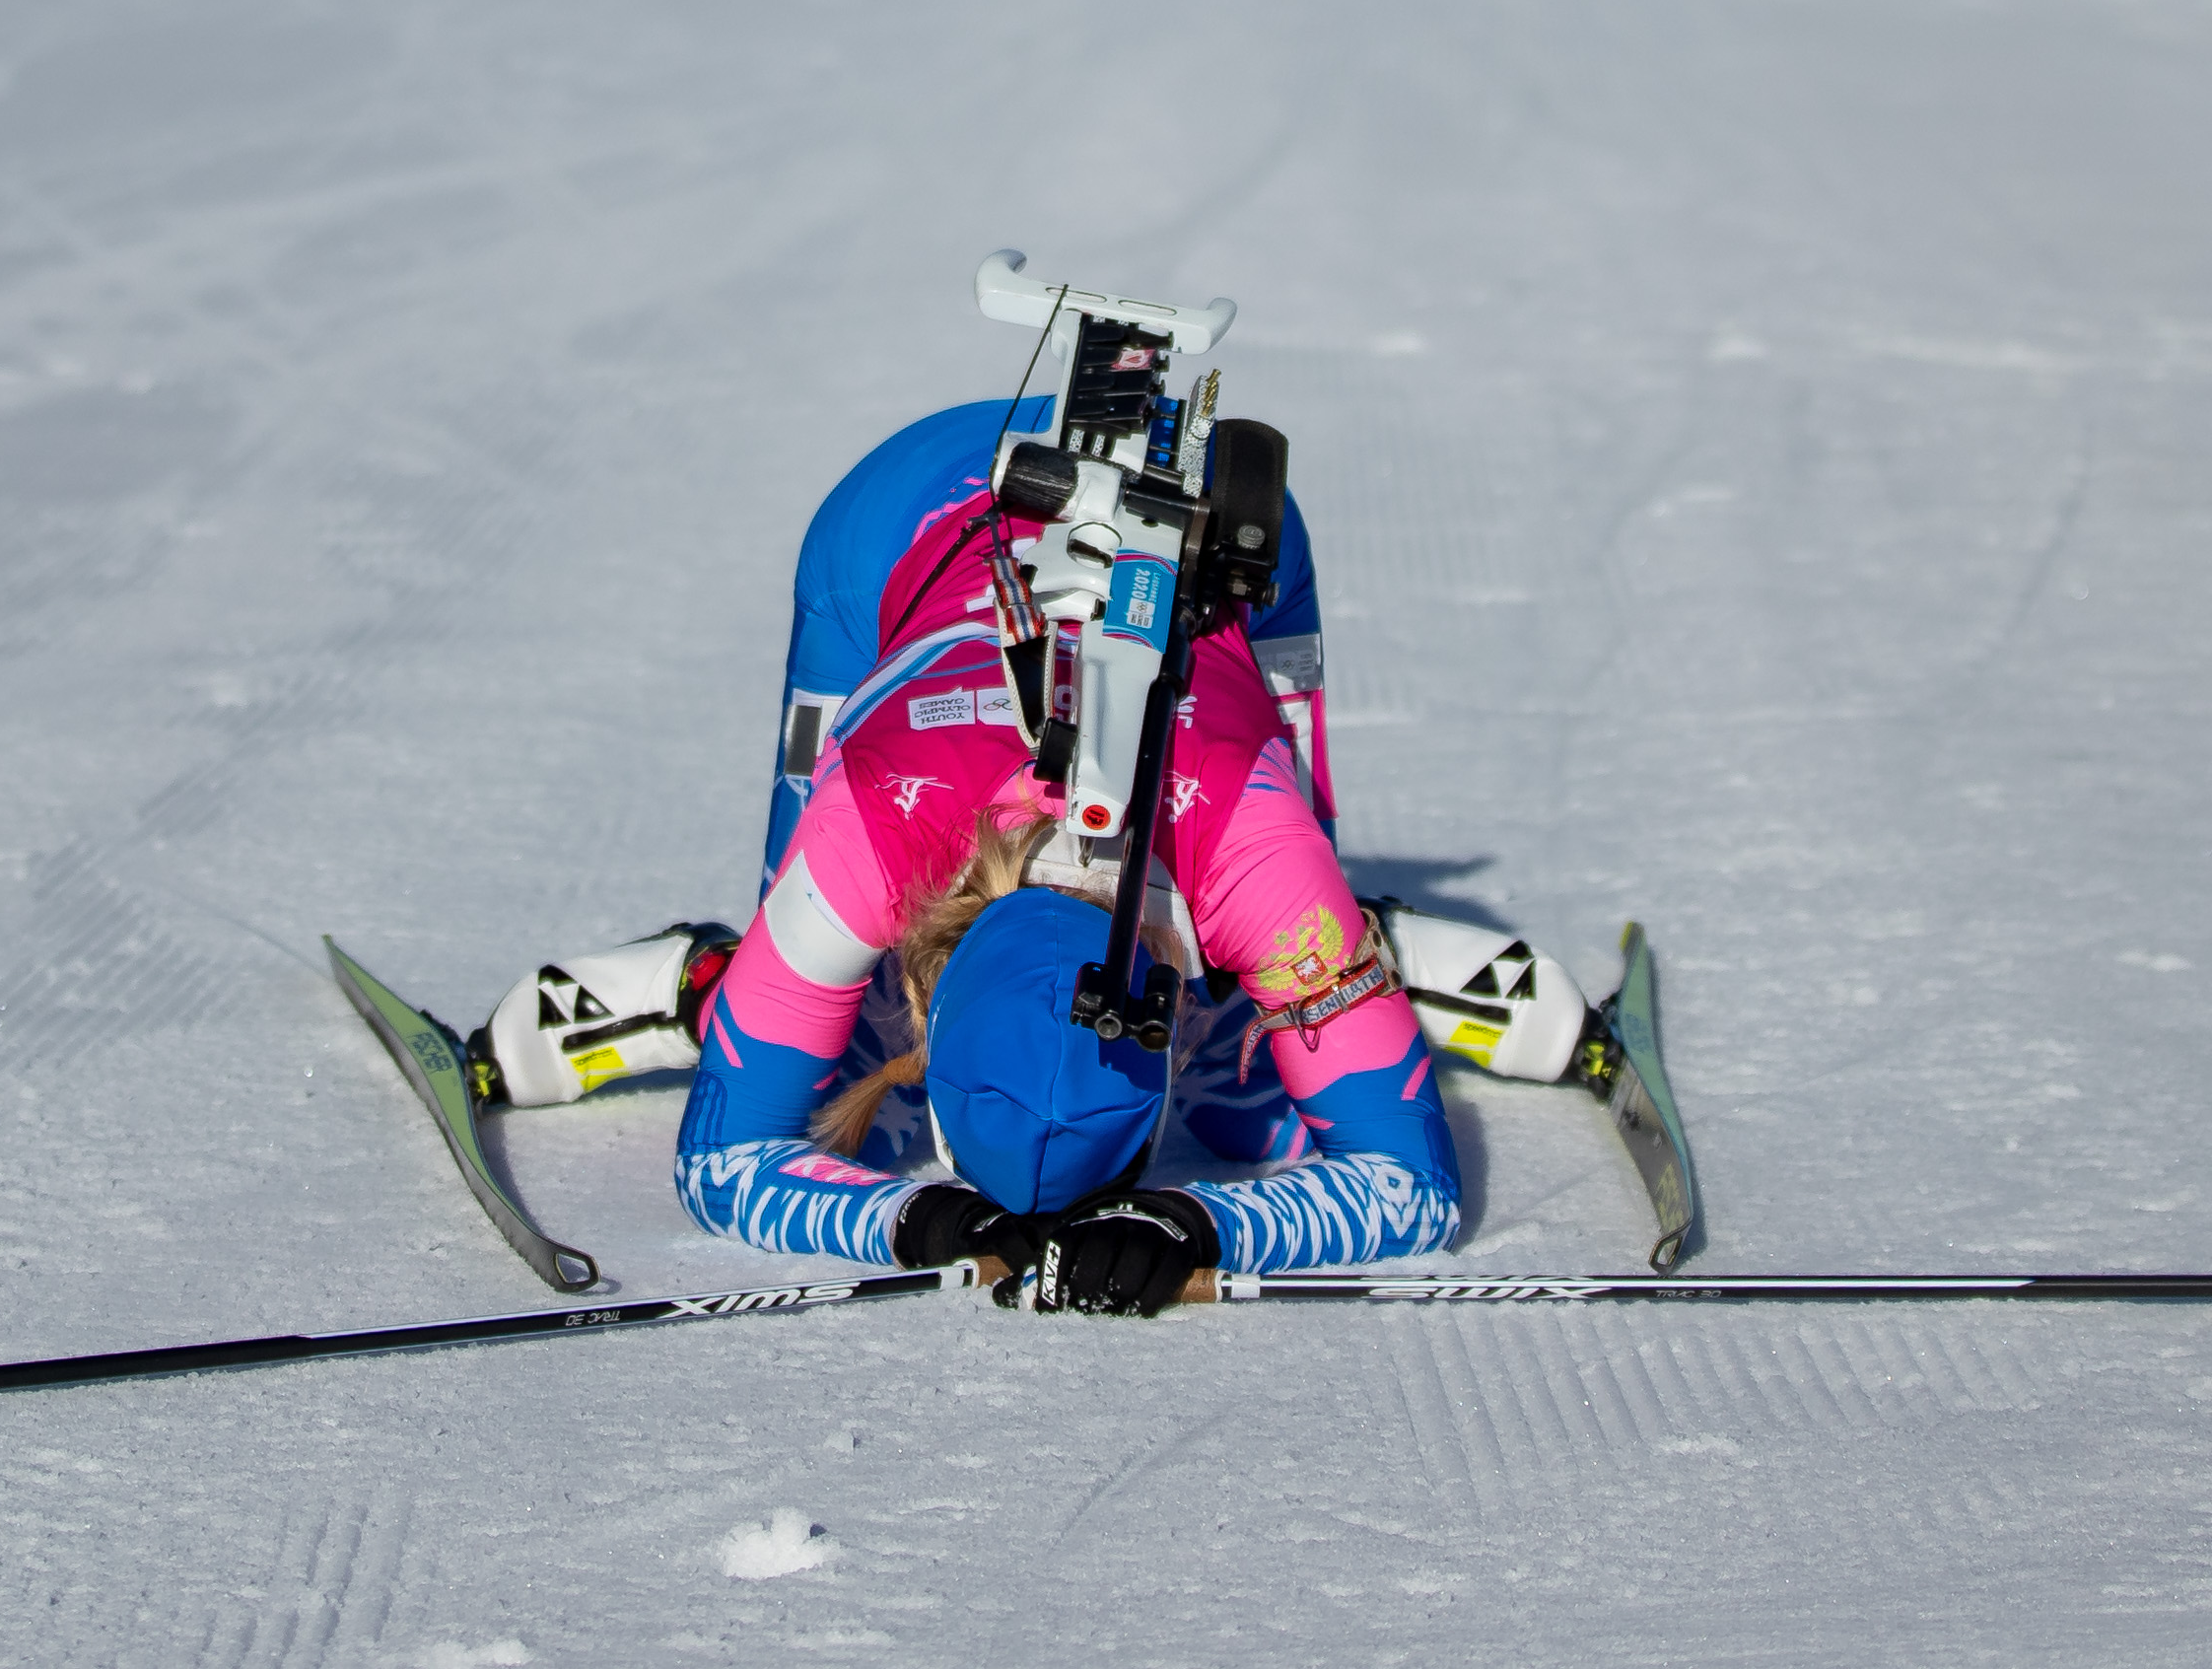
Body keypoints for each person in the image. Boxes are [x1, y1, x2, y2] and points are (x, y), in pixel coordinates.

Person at [465, 368, 1515, 1312]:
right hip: (898, 522)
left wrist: (1194, 1217)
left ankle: (1327, 971)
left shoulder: (1252, 860)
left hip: (1207, 527)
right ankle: (716, 980)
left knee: (1240, 1111)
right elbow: (720, 1161)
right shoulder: (867, 846)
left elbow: (1420, 1194)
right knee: (859, 1114)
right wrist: (917, 1217)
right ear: (926, 989)